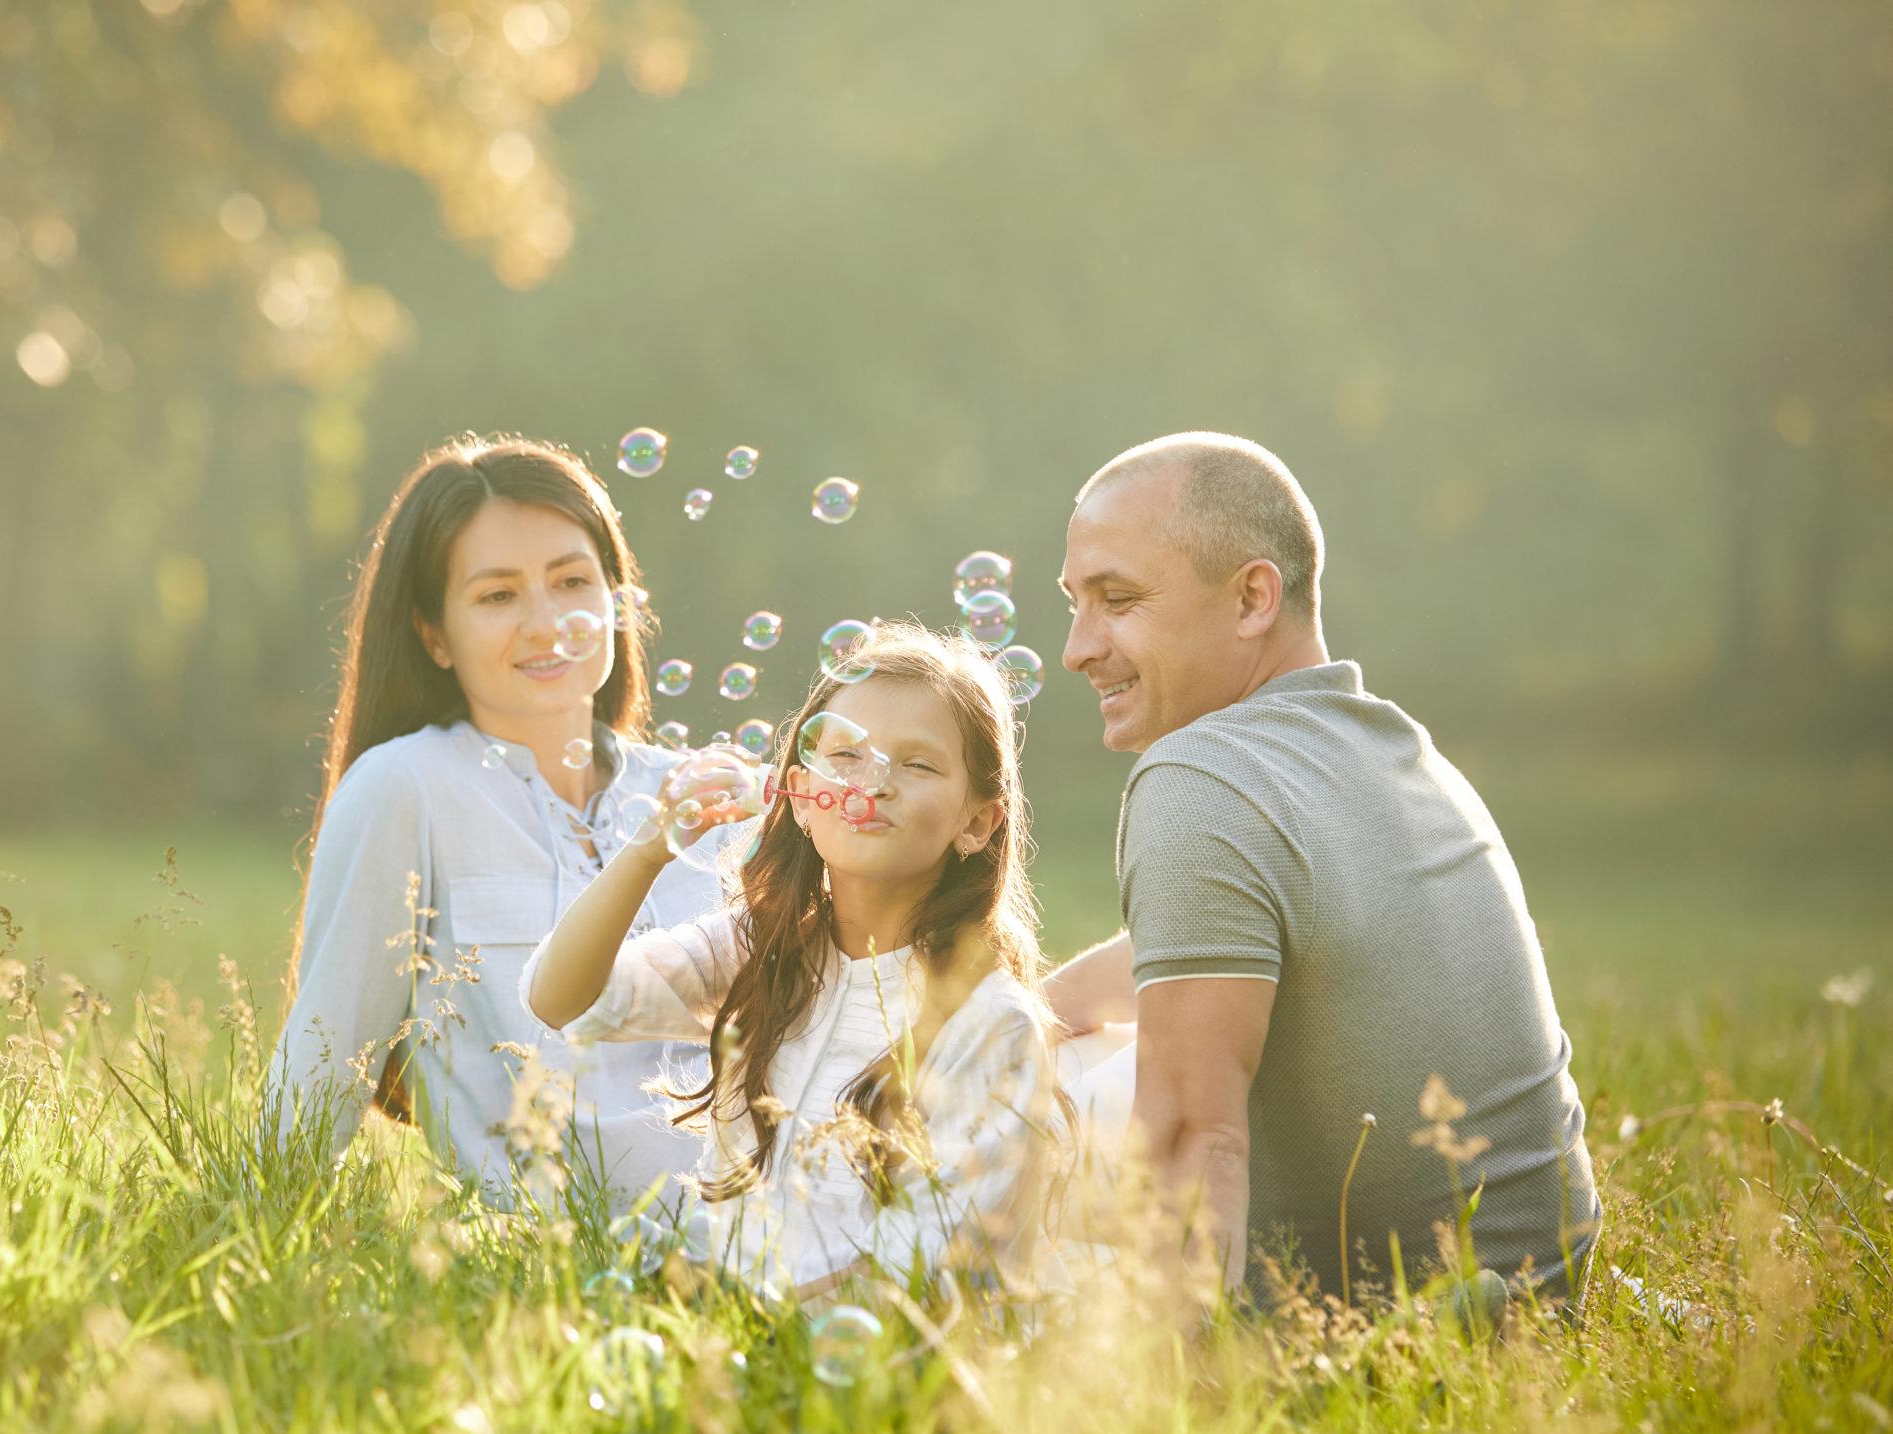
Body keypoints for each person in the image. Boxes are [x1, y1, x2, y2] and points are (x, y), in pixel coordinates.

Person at [1044, 431, 1602, 1309]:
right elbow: (1236, 938)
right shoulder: (1391, 753)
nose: (1078, 647)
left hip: (1374, 1323)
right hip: (1544, 1283)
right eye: (1076, 603)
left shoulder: (1198, 779)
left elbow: (1194, 1137)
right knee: (1042, 1048)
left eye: (1118, 599)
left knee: (1000, 1122)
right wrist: (1031, 1012)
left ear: (1253, 597)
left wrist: (1172, 1403)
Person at [523, 622, 1122, 1299]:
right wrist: (647, 850)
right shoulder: (760, 951)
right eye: (846, 755)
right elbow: (560, 998)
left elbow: (929, 1260)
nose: (876, 781)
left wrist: (746, 1308)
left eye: (918, 763)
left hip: (902, 1367)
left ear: (977, 822)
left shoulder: (989, 1020)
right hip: (756, 1340)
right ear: (803, 797)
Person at [267, 433, 739, 1209]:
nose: (546, 622)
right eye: (497, 595)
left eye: (571, 581)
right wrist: (264, 1239)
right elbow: (324, 1059)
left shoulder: (699, 795)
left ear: (616, 604)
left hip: (764, 1230)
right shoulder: (406, 786)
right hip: (566, 1260)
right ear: (432, 634)